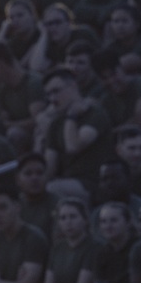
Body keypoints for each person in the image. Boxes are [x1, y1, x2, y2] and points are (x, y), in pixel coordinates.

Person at [36, 67, 113, 198]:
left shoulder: (94, 113)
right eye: (48, 94)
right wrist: (39, 141)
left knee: (52, 188)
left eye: (56, 91)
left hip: (96, 182)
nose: (52, 99)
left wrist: (72, 117)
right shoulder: (55, 123)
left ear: (72, 86)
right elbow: (49, 168)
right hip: (68, 181)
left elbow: (73, 146)